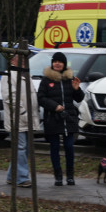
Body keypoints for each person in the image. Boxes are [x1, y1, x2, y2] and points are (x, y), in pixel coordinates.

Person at [37, 51, 83, 186]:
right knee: (55, 147)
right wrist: (55, 106)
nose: (57, 64)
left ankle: (70, 176)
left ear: (64, 64)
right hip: (53, 119)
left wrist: (76, 89)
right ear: (52, 63)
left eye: (60, 62)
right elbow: (41, 98)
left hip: (68, 118)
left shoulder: (70, 79)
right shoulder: (46, 80)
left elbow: (79, 98)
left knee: (69, 146)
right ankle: (58, 176)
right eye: (55, 61)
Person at [2, 52, 39, 188]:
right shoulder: (8, 75)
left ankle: (12, 176)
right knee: (21, 148)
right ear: (13, 60)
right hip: (17, 118)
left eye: (24, 59)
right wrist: (22, 112)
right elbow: (10, 97)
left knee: (24, 148)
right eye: (21, 59)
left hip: (28, 117)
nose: (24, 61)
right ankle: (22, 178)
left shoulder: (25, 75)